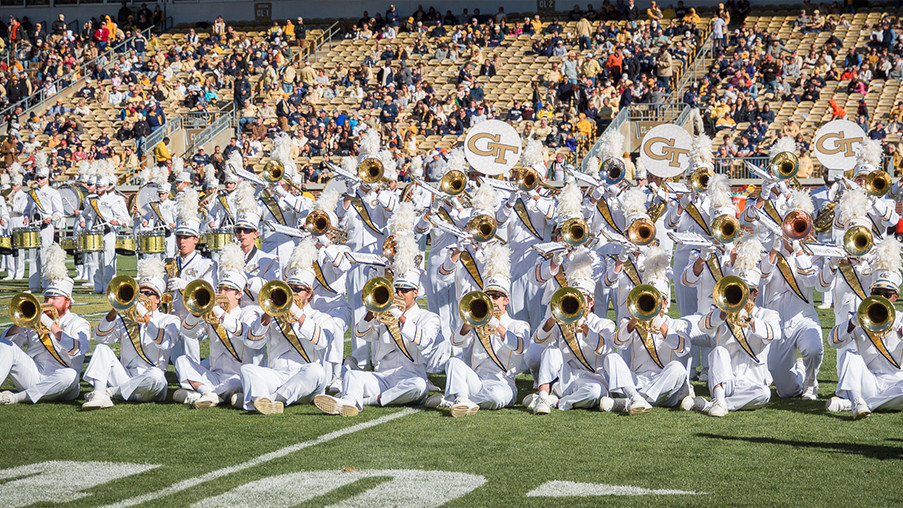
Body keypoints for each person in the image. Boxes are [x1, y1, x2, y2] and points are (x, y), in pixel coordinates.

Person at [314, 244, 442, 416]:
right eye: (396, 289)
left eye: (404, 290)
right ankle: (348, 402)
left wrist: (399, 316)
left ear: (416, 292)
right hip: (383, 375)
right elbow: (362, 334)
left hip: (410, 377)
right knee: (353, 376)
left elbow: (423, 341)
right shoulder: (385, 314)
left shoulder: (428, 318)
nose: (399, 294)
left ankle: (365, 401)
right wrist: (370, 313)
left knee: (419, 386)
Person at [425, 244, 529, 416]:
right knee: (453, 362)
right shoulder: (477, 320)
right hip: (477, 379)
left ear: (506, 300)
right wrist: (469, 322)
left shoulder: (518, 325)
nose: (492, 299)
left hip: (503, 383)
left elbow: (519, 347)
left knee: (496, 398)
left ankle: (452, 399)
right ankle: (462, 399)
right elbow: (456, 341)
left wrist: (496, 326)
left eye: (496, 296)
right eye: (489, 295)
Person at [240, 240, 340, 414]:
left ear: (309, 293)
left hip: (306, 380)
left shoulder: (322, 318)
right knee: (247, 370)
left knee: (316, 370)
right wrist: (267, 314)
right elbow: (252, 343)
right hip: (277, 375)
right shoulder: (274, 315)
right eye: (290, 288)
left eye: (298, 289)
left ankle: (271, 400)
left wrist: (296, 313)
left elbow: (322, 342)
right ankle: (268, 400)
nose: (293, 293)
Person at [685, 238, 781, 417]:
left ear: (755, 293)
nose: (744, 297)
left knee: (765, 394)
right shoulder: (723, 312)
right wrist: (721, 315)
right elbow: (702, 327)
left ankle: (715, 404)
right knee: (719, 351)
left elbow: (774, 334)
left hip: (752, 382)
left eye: (747, 292)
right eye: (739, 290)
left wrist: (751, 321)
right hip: (724, 380)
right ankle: (719, 399)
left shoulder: (768, 315)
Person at [81, 258, 180, 409]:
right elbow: (100, 336)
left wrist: (145, 316)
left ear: (158, 299)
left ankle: (111, 393)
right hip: (125, 376)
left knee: (157, 376)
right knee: (102, 349)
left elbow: (165, 342)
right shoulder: (126, 318)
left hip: (150, 384)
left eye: (149, 293)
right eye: (141, 292)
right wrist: (116, 308)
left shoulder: (169, 319)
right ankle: (99, 393)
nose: (144, 296)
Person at [174, 243, 262, 409]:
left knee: (232, 385)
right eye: (220, 288)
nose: (221, 293)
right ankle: (208, 393)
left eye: (227, 289)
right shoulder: (212, 312)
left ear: (239, 294)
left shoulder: (250, 312)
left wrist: (220, 314)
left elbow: (246, 334)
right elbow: (188, 332)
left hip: (239, 375)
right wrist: (196, 312)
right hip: (215, 375)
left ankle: (198, 394)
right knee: (182, 361)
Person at [0, 244, 89, 405]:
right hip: (34, 376)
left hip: (64, 384)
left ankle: (17, 398)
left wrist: (51, 326)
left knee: (70, 375)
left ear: (67, 302)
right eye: (47, 297)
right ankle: (30, 392)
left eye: (55, 298)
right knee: (6, 345)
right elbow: (6, 345)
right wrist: (21, 322)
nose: (48, 302)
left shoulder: (79, 323)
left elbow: (76, 350)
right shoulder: (34, 318)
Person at [827, 239, 903, 420]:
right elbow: (833, 341)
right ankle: (858, 400)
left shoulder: (901, 319)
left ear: (895, 296)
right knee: (849, 354)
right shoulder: (861, 316)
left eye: (887, 295)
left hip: (896, 382)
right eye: (877, 293)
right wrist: (853, 322)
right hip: (868, 380)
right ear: (871, 293)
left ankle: (854, 403)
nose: (882, 297)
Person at [24, 164, 64, 292]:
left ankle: (47, 284)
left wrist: (51, 218)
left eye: (41, 177)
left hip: (46, 227)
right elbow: (27, 210)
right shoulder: (31, 193)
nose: (39, 180)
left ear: (47, 178)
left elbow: (59, 212)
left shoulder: (53, 192)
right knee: (33, 255)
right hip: (33, 227)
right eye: (38, 177)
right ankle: (34, 285)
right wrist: (26, 217)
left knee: (45, 255)